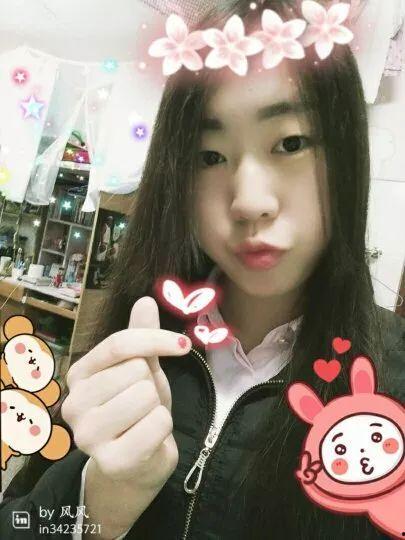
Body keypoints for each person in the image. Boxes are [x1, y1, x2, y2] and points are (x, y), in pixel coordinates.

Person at [1, 1, 404, 539]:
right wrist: (98, 506)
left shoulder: (392, 382)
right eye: (210, 156)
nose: (249, 202)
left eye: (290, 143)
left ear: (346, 156)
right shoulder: (137, 344)